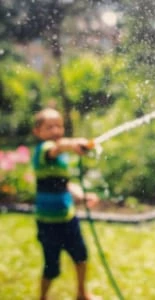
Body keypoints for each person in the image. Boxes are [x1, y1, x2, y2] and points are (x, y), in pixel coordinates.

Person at [32, 107, 99, 300]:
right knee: (51, 267)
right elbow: (57, 147)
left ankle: (81, 293)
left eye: (59, 126)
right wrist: (73, 143)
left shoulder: (61, 158)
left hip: (68, 217)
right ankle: (42, 297)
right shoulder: (43, 151)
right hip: (48, 222)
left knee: (81, 257)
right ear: (37, 132)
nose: (55, 130)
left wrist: (82, 196)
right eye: (49, 127)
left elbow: (65, 183)